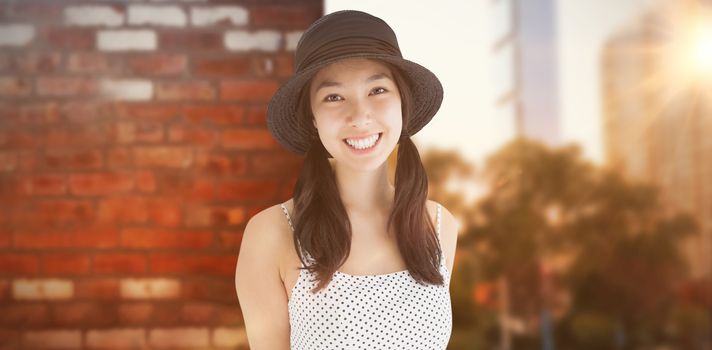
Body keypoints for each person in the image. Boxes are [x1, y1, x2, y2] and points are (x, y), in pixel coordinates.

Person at [235, 10, 459, 349]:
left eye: (378, 90)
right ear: (312, 118)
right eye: (334, 97)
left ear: (403, 103)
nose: (359, 116)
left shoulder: (439, 225)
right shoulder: (271, 234)